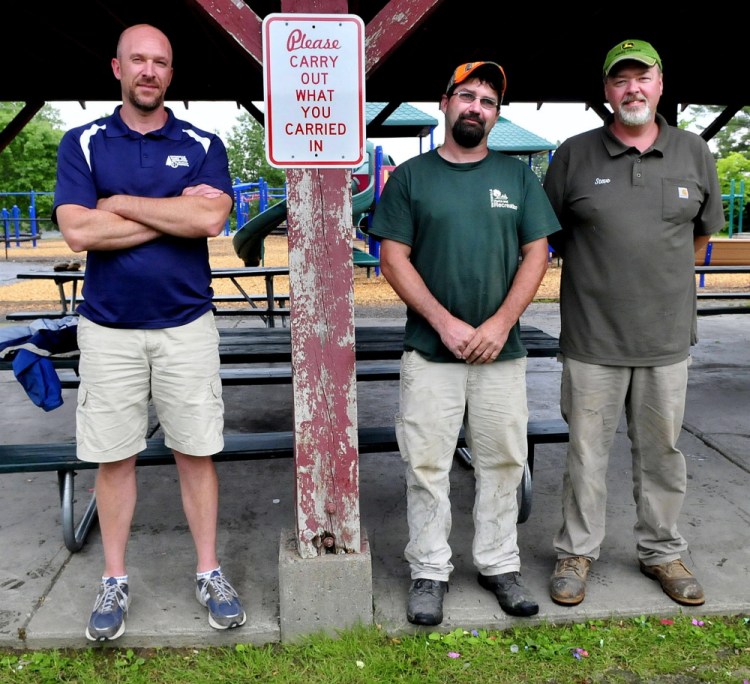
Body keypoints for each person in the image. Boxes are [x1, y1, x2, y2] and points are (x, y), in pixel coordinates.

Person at [52, 23, 245, 641]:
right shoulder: (81, 142)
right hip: (108, 329)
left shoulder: (203, 142)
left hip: (186, 323)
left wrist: (119, 203)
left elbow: (212, 216)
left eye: (160, 62)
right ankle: (114, 578)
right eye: (138, 60)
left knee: (196, 452)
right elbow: (79, 233)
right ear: (116, 68)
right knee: (114, 458)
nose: (149, 71)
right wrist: (171, 213)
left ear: (170, 73)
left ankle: (209, 571)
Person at [368, 62, 561, 626]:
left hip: (502, 352)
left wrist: (500, 323)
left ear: (496, 115)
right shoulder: (410, 177)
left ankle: (499, 565)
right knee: (426, 462)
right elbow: (393, 257)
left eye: (489, 101)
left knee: (503, 461)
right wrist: (445, 322)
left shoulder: (519, 178)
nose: (477, 107)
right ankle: (429, 570)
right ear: (445, 102)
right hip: (431, 350)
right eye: (468, 96)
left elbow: (537, 254)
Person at [543, 39, 725, 608]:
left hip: (666, 339)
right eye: (620, 81)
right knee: (585, 454)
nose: (632, 90)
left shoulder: (695, 153)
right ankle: (577, 552)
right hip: (592, 339)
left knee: (662, 453)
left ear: (660, 83)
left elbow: (700, 235)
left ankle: (663, 551)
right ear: (607, 91)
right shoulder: (573, 155)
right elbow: (547, 238)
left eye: (641, 78)